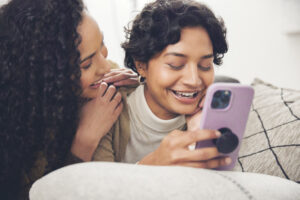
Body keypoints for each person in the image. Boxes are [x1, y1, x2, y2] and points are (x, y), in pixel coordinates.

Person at [0, 0, 138, 199]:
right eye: (87, 64)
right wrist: (84, 143)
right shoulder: (14, 131)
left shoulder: (108, 79)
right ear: (46, 75)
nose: (106, 66)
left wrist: (144, 81)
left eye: (102, 45)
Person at [94, 0, 230, 168]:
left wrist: (198, 136)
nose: (194, 80)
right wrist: (153, 165)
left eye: (205, 65)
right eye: (175, 64)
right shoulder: (106, 110)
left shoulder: (214, 116)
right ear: (141, 65)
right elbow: (99, 187)